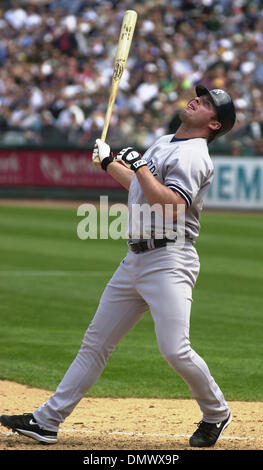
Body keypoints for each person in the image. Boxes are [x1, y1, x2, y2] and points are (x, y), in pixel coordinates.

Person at [0, 84, 236, 448]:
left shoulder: (194, 155)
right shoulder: (165, 140)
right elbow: (141, 191)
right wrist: (112, 164)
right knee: (95, 343)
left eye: (206, 103)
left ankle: (216, 412)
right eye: (199, 96)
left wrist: (139, 165)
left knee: (175, 349)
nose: (196, 100)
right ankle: (46, 421)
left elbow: (171, 205)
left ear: (214, 124)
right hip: (136, 260)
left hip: (169, 260)